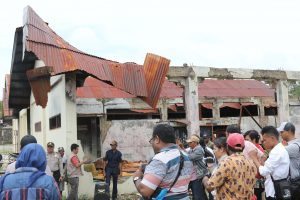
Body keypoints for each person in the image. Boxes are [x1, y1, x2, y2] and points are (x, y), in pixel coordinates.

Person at [133, 124, 193, 199]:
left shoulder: (160, 159)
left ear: (157, 139)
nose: (152, 143)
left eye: (152, 140)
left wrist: (136, 177)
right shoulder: (186, 156)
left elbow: (145, 190)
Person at [202, 133, 257, 200]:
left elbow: (209, 187)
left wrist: (205, 178)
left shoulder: (227, 163)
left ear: (227, 147)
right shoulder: (251, 163)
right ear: (243, 147)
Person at [250, 126, 290, 200]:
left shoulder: (276, 152)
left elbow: (264, 172)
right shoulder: (279, 149)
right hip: (277, 189)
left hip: (274, 191)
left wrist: (254, 158)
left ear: (272, 138)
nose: (263, 143)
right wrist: (263, 162)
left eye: (264, 140)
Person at [277, 122, 300, 199]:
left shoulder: (293, 147)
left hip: (295, 183)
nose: (280, 134)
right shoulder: (295, 144)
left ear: (289, 131)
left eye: (282, 132)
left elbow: (275, 155)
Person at [244, 130, 265, 200]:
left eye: (247, 140)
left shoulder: (257, 149)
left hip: (256, 180)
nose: (246, 142)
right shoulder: (251, 148)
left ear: (254, 140)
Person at [186, 135, 208, 200]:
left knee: (198, 196)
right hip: (192, 176)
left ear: (195, 143)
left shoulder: (199, 149)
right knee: (198, 195)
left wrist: (182, 150)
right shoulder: (191, 150)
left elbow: (189, 157)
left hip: (198, 176)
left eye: (190, 142)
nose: (188, 144)